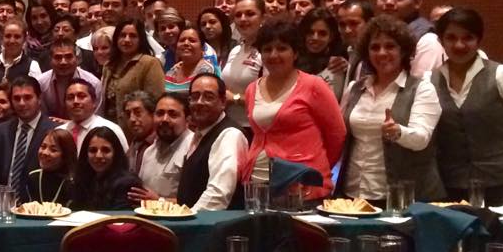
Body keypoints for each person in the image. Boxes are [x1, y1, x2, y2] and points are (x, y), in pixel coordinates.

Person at [431, 8, 503, 206]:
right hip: (451, 183)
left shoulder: (502, 75)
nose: (459, 45)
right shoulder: (429, 80)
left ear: (479, 40)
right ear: (441, 41)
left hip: (500, 183)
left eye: (468, 38)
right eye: (451, 38)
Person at [339, 15, 445, 202]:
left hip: (401, 196)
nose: (382, 53)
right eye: (375, 47)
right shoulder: (355, 88)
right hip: (353, 192)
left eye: (390, 46)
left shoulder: (421, 88)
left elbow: (422, 139)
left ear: (403, 51)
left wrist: (398, 132)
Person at [239, 20, 346, 201]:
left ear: (295, 53)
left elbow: (337, 134)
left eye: (282, 48)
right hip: (258, 184)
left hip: (302, 185)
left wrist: (315, 167)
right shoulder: (251, 89)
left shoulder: (314, 85)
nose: (274, 55)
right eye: (267, 49)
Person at [179, 74, 248, 211]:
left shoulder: (230, 135)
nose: (199, 102)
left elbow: (218, 195)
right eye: (195, 97)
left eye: (208, 97)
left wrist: (187, 218)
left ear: (223, 102)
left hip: (212, 222)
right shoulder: (200, 133)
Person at [126, 93, 192, 203]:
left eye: (173, 114)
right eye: (160, 113)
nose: (165, 119)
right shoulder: (149, 152)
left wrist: (159, 201)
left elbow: (197, 201)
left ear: (188, 120)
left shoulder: (193, 149)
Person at [0, 76, 53, 198]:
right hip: (4, 202)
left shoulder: (54, 131)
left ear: (39, 99)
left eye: (27, 97)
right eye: (16, 98)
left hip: (38, 202)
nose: (22, 103)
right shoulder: (1, 130)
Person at [99, 18, 165, 122]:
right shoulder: (109, 65)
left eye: (133, 36)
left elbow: (156, 100)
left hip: (136, 125)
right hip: (109, 126)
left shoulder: (149, 63)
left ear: (141, 39)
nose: (127, 40)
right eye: (122, 35)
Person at [71, 127, 143, 211]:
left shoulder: (127, 183)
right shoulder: (83, 179)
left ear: (115, 153)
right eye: (93, 150)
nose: (98, 155)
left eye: (106, 150)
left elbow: (121, 217)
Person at [57, 78, 129, 154]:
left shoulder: (111, 129)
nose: (75, 101)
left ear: (94, 102)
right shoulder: (60, 132)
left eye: (81, 96)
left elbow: (125, 160)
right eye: (70, 98)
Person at [36, 40, 101, 120]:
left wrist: (69, 124)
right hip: (50, 126)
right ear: (50, 60)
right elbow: (40, 117)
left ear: (77, 59)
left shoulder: (93, 83)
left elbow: (96, 119)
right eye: (58, 57)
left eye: (68, 57)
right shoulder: (40, 83)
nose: (63, 62)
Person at [222, 0, 266, 98]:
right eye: (238, 15)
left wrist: (235, 98)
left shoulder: (268, 51)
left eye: (250, 14)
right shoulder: (235, 50)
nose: (242, 19)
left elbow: (272, 95)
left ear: (263, 18)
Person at [26, 129, 75, 206]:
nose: (45, 152)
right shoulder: (33, 177)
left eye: (53, 150)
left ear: (65, 155)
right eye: (43, 146)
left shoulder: (73, 183)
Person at [164, 26, 216, 94]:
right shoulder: (172, 71)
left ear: (202, 48)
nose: (186, 43)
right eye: (182, 40)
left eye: (192, 40)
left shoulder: (206, 70)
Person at [120, 91, 157, 173]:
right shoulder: (133, 147)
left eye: (138, 112)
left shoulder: (162, 143)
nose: (132, 119)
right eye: (128, 114)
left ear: (152, 114)